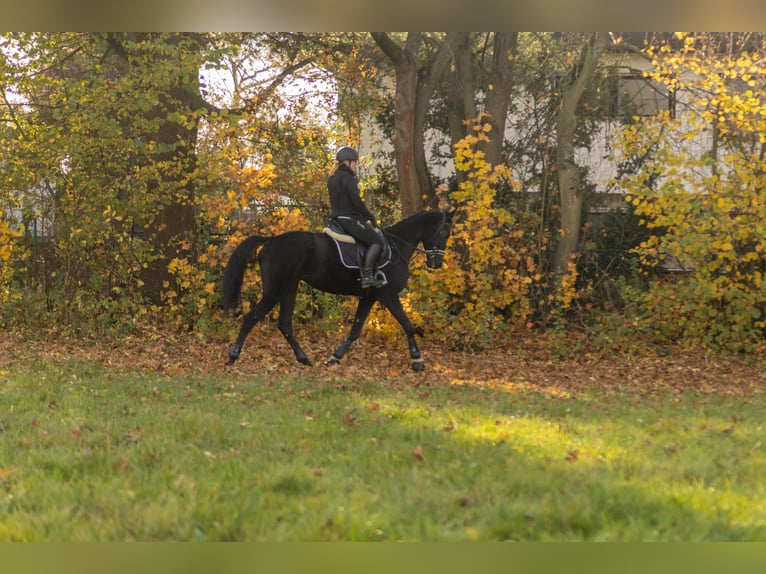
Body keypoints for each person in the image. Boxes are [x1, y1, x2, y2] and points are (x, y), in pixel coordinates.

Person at [327, 146, 387, 288]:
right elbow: (356, 201)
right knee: (377, 241)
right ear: (346, 162)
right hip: (349, 218)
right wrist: (369, 216)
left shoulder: (332, 178)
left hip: (337, 219)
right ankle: (367, 276)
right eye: (354, 162)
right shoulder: (347, 178)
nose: (355, 165)